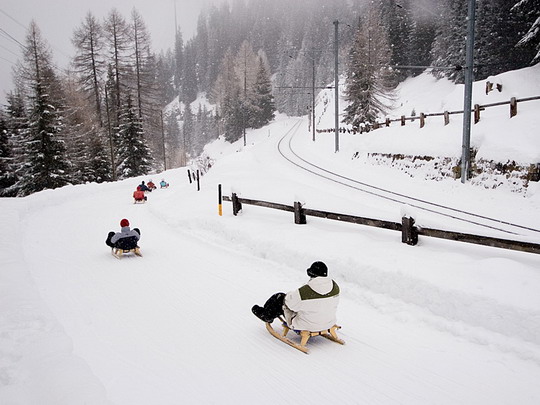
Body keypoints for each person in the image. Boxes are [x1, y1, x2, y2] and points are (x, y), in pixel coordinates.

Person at [252, 261, 340, 332]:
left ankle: (267, 315)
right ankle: (268, 314)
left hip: (307, 325)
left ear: (310, 273)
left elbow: (289, 304)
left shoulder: (305, 291)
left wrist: (289, 295)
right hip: (329, 322)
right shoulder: (335, 287)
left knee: (279, 298)